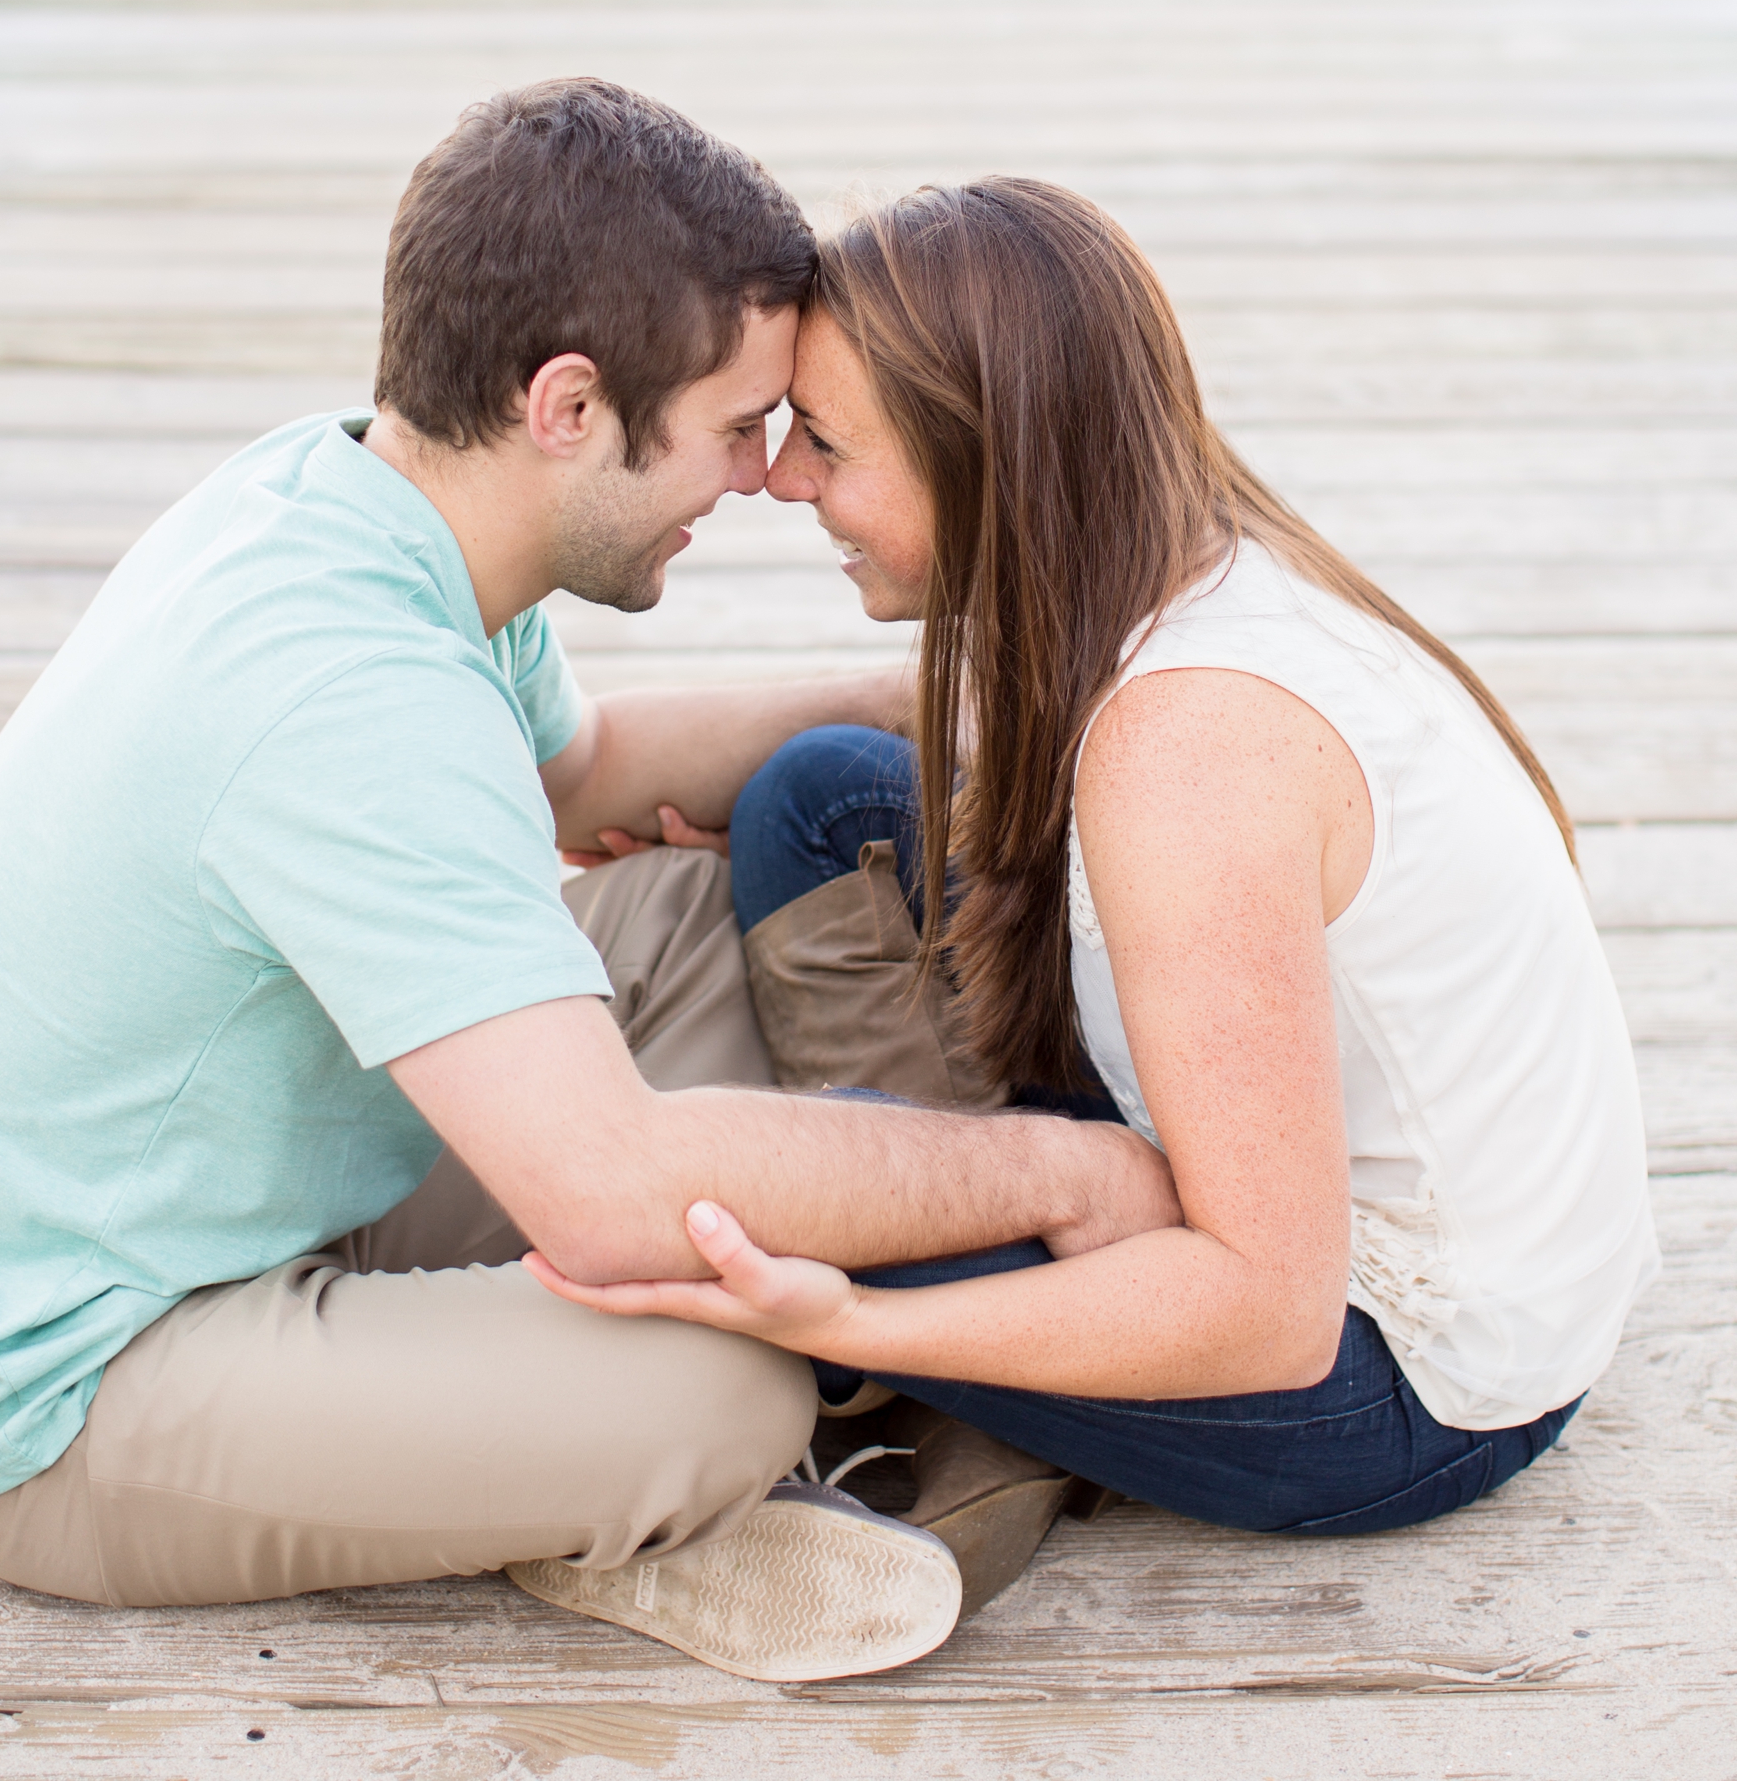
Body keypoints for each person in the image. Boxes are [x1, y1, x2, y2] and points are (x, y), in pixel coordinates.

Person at [0, 87, 1179, 1686]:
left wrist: (928, 702)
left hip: (275, 1153)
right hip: (73, 1379)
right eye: (737, 425)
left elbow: (570, 777)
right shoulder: (344, 696)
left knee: (704, 915)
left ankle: (524, 1423)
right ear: (568, 408)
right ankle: (606, 1492)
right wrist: (1059, 1176)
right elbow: (609, 1200)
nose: (760, 476)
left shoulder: (374, 503)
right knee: (721, 1388)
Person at [531, 176, 1660, 1544]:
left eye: (825, 442)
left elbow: (1268, 1315)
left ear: (982, 460)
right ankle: (971, 1273)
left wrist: (865, 1311)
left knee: (760, 1216)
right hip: (1296, 1224)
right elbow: (672, 760)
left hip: (1391, 1371)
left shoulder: (1189, 749)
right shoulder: (1158, 563)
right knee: (817, 802)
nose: (782, 478)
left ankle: (926, 1424)